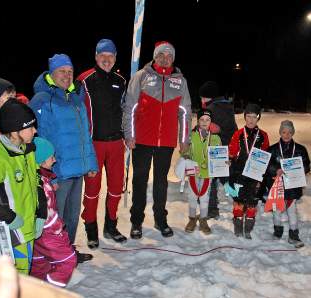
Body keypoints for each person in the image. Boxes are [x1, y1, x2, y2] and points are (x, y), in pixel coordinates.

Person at [29, 53, 98, 262]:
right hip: (58, 173)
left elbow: (85, 134)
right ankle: (52, 257)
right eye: (62, 71)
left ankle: (68, 253)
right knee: (54, 219)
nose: (67, 76)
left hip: (77, 170)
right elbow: (39, 140)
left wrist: (91, 163)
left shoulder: (75, 98)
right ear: (52, 73)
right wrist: (50, 176)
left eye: (70, 72)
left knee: (71, 216)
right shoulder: (43, 100)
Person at [123, 41, 192, 239]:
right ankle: (136, 221)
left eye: (169, 55)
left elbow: (185, 112)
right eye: (161, 54)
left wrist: (184, 139)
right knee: (140, 181)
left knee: (161, 183)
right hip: (142, 140)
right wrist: (129, 135)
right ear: (155, 56)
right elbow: (130, 108)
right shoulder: (141, 76)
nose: (165, 58)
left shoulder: (180, 81)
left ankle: (160, 220)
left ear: (173, 59)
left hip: (166, 142)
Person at [0, 99, 46, 274]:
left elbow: (37, 182)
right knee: (12, 279)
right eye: (30, 127)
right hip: (11, 231)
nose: (35, 130)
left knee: (24, 274)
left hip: (28, 228)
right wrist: (9, 217)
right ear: (14, 131)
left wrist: (41, 213)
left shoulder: (28, 150)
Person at [77, 39, 127, 249]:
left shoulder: (121, 80)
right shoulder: (84, 80)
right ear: (96, 57)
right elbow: (77, 112)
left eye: (111, 56)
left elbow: (126, 108)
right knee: (92, 189)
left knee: (116, 187)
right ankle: (91, 229)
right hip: (94, 144)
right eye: (102, 56)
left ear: (115, 58)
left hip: (116, 143)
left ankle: (111, 225)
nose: (107, 60)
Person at [30, 137, 77, 287]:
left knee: (39, 264)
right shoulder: (43, 185)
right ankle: (50, 292)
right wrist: (59, 231)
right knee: (68, 261)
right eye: (51, 157)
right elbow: (48, 217)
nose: (55, 160)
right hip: (48, 233)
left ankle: (35, 292)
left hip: (36, 236)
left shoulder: (36, 177)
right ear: (41, 161)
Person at [266, 120, 310, 248]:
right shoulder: (273, 149)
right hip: (277, 186)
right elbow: (267, 166)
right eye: (284, 132)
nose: (286, 135)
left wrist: (299, 169)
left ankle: (293, 234)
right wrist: (276, 170)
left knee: (292, 210)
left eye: (289, 132)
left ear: (293, 133)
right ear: (280, 132)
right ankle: (278, 230)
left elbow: (306, 165)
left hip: (293, 186)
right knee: (277, 210)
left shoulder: (300, 149)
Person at [228, 103, 269, 239]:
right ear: (245, 117)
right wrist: (229, 160)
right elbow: (232, 152)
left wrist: (262, 175)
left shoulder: (263, 135)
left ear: (258, 118)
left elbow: (265, 155)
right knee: (239, 201)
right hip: (239, 173)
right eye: (248, 116)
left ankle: (248, 229)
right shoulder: (238, 134)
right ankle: (238, 227)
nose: (251, 120)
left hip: (255, 174)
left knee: (252, 202)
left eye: (254, 117)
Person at [199, 81, 238, 219]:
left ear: (207, 97)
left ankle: (212, 209)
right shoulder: (227, 106)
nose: (201, 100)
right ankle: (240, 200)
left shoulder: (211, 109)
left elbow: (203, 129)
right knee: (225, 179)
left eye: (202, 97)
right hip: (227, 148)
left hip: (215, 150)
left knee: (211, 179)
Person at [182, 109, 221, 234]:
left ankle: (203, 219)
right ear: (198, 121)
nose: (204, 122)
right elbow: (185, 150)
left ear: (211, 122)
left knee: (205, 197)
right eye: (202, 120)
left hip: (207, 173)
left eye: (207, 120)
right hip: (193, 171)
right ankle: (192, 218)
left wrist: (223, 162)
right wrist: (186, 155)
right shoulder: (192, 135)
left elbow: (219, 155)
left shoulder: (215, 138)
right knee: (192, 196)